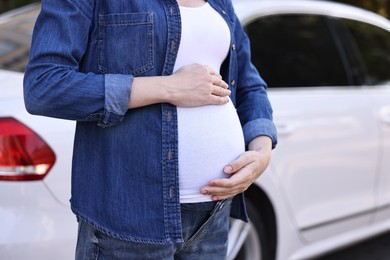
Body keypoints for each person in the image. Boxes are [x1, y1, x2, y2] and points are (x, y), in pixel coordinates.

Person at [24, 0, 277, 259]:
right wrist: (168, 88)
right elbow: (44, 86)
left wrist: (262, 150)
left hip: (213, 215)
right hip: (129, 221)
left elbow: (249, 84)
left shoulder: (221, 3)